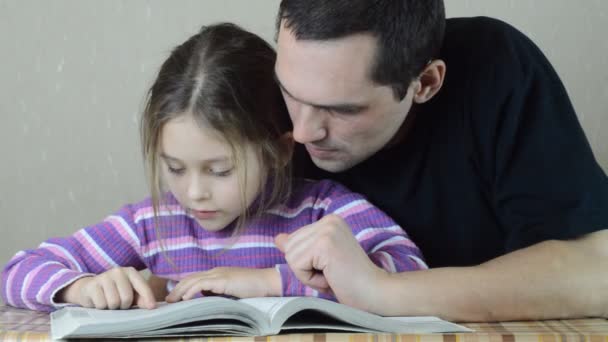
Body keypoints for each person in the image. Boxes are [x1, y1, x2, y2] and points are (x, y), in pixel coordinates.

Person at [1, 23, 427, 312]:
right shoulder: (152, 222)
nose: (194, 193)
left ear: (278, 151)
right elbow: (16, 272)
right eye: (175, 167)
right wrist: (80, 288)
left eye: (220, 171)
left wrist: (271, 283)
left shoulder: (323, 211)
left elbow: (409, 272)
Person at [273, 0, 608, 321]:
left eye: (341, 109)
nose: (301, 133)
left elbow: (594, 271)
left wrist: (381, 291)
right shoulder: (262, 89)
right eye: (289, 92)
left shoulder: (494, 65)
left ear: (426, 83)